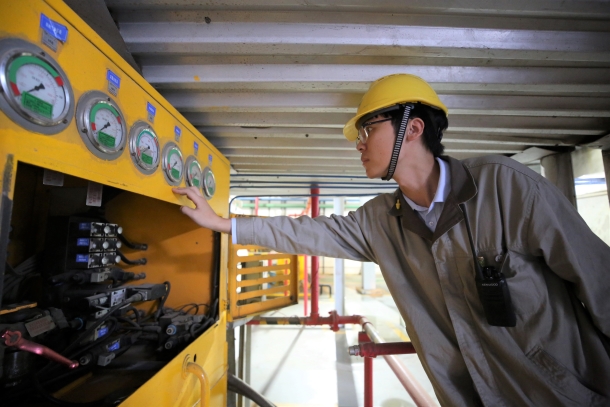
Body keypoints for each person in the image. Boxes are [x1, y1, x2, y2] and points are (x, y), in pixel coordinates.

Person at [173, 74, 610, 407]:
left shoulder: (506, 187)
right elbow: (309, 231)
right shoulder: (381, 220)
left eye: (368, 130)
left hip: (566, 393)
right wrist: (223, 223)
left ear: (413, 128)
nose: (359, 145)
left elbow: (599, 280)